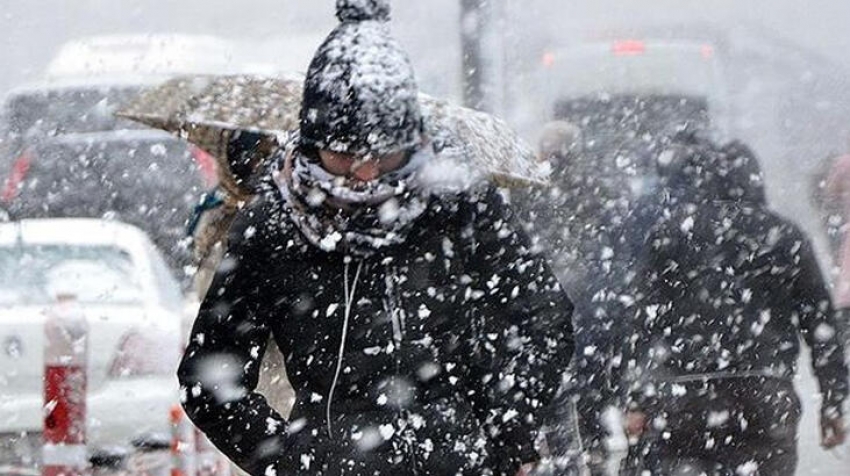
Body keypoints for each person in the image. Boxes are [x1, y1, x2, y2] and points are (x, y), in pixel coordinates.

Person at [177, 1, 575, 475]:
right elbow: (210, 376)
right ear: (310, 142)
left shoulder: (458, 204)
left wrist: (504, 433)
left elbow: (543, 315)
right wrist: (289, 461)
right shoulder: (275, 226)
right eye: (343, 156)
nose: (365, 174)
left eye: (384, 156)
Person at [620, 137, 848, 475]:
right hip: (765, 391)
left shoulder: (670, 233)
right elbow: (820, 323)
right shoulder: (784, 234)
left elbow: (640, 319)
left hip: (685, 393)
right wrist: (832, 400)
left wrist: (636, 398)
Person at [511, 121, 623, 475]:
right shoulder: (595, 186)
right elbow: (609, 241)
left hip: (543, 296)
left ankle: (560, 452)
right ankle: (588, 447)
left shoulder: (527, 187)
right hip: (586, 296)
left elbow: (518, 238)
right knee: (588, 376)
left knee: (553, 381)